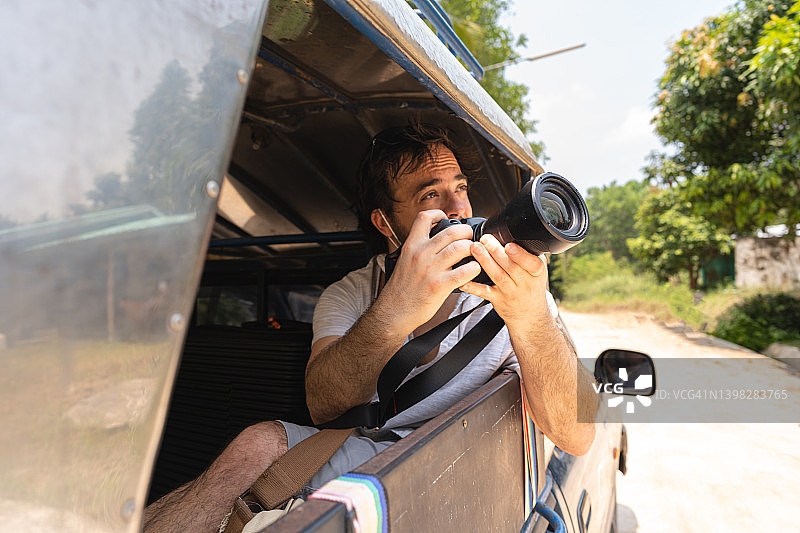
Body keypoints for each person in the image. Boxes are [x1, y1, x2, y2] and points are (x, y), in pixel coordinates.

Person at [143, 123, 598, 533]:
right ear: (386, 223)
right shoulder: (353, 292)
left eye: (460, 188)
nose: (459, 207)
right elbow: (324, 405)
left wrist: (531, 316)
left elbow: (576, 435)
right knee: (255, 444)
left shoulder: (514, 291)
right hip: (366, 451)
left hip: (458, 473)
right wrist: (397, 307)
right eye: (430, 195)